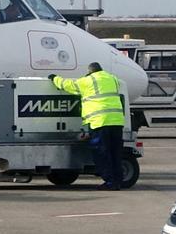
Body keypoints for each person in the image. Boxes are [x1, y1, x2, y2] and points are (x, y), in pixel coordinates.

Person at [52, 61, 128, 189]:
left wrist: (54, 78)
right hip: (117, 121)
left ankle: (110, 182)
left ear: (90, 71)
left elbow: (68, 85)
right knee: (115, 153)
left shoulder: (88, 81)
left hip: (100, 122)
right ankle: (118, 181)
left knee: (102, 153)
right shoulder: (113, 79)